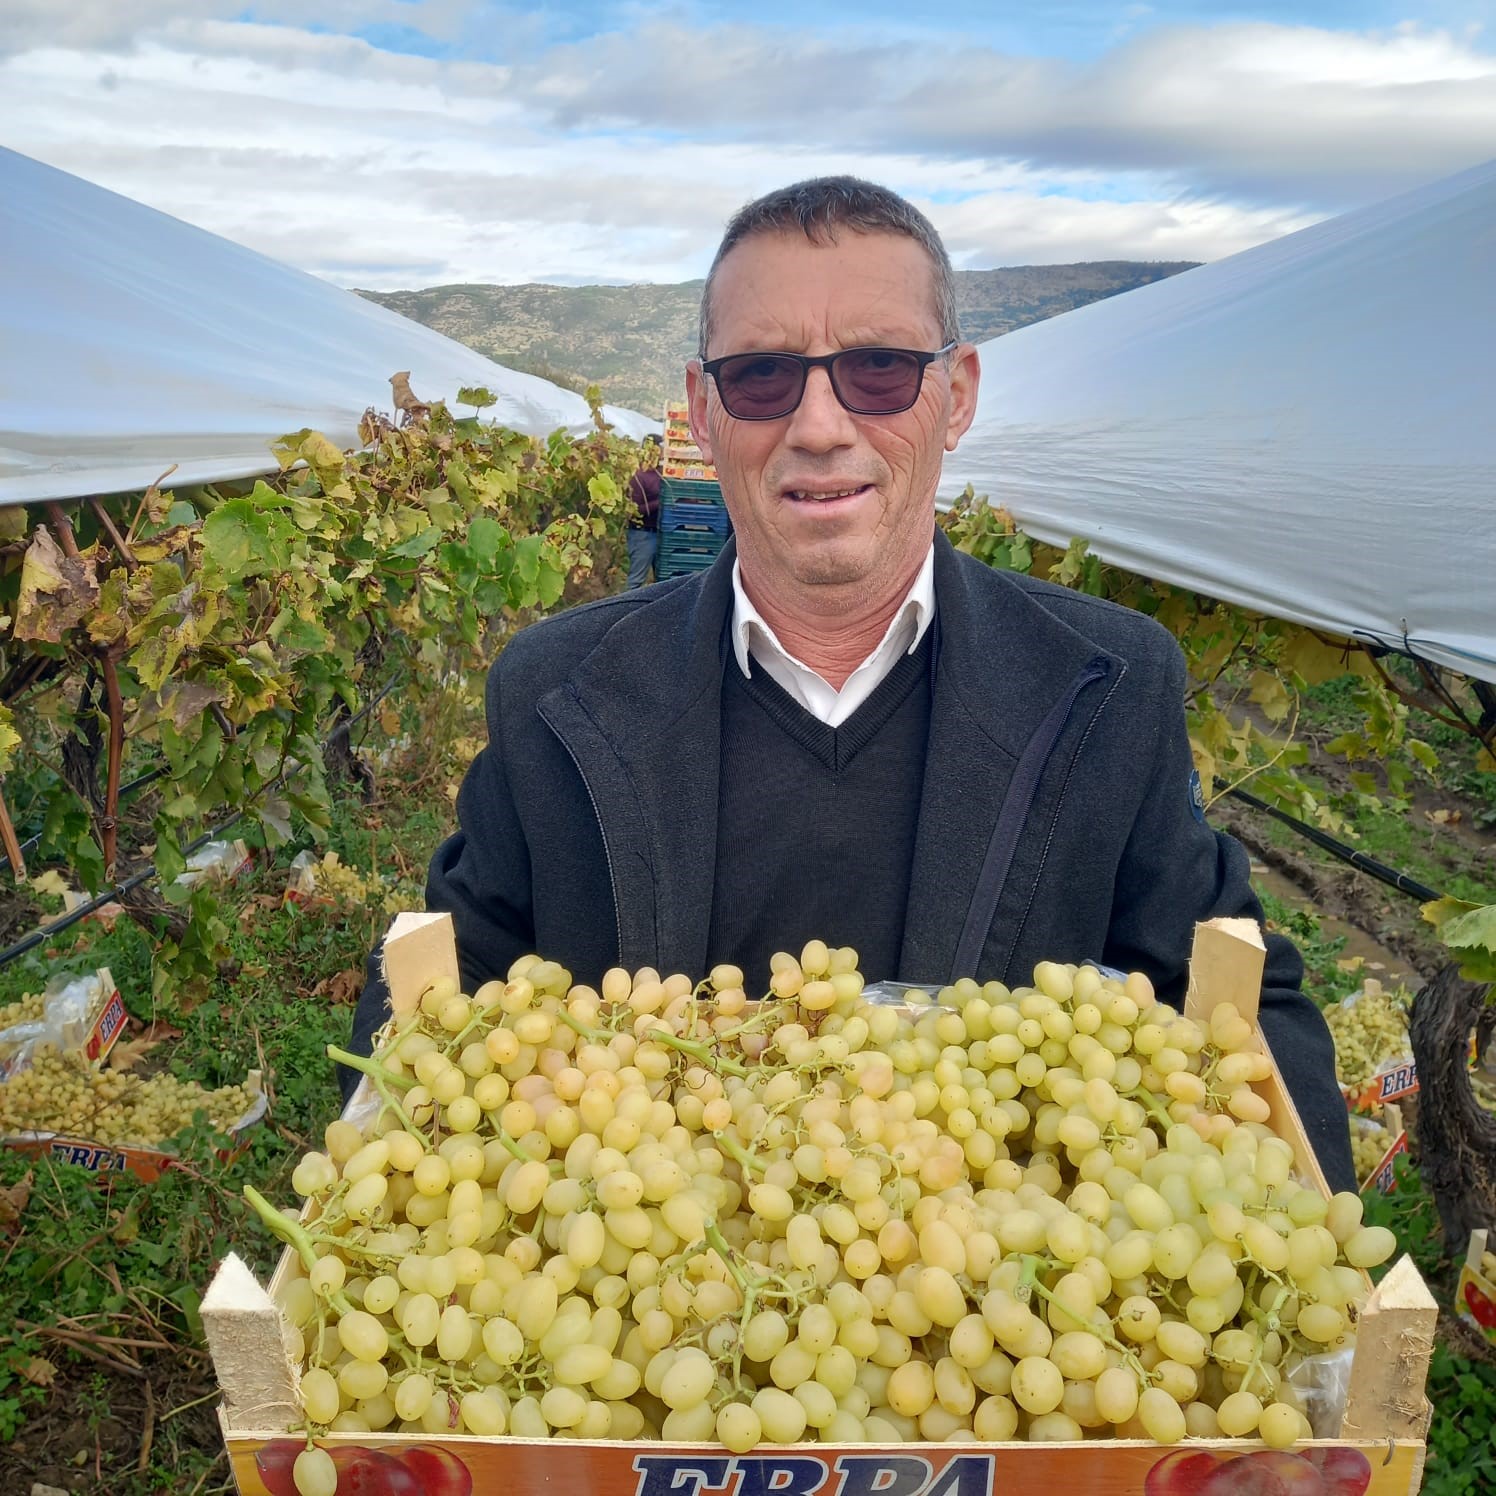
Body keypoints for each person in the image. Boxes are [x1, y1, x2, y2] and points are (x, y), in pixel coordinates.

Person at [347, 175, 1354, 1190]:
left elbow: (1236, 1003)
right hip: (664, 1310)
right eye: (761, 376)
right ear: (702, 410)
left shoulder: (1111, 688)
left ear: (954, 396)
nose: (820, 424)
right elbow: (448, 988)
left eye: (877, 368)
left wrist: (1315, 1252)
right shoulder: (554, 692)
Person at [625, 434, 663, 588]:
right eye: (661, 447)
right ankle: (625, 611)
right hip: (643, 534)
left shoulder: (662, 473)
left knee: (663, 579)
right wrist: (661, 502)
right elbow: (636, 510)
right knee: (636, 580)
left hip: (661, 532)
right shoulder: (639, 476)